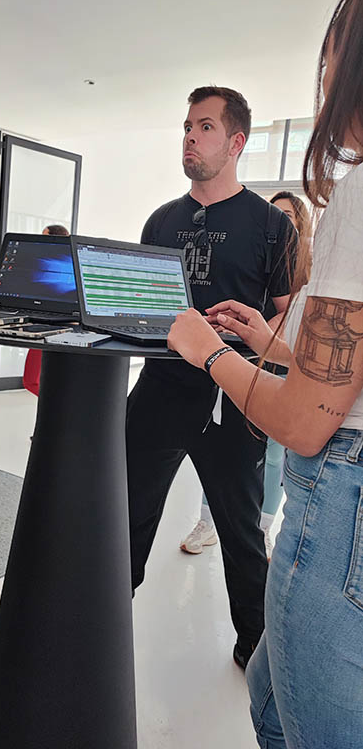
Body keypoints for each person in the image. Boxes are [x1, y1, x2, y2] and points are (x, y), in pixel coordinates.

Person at [168, 0, 363, 747]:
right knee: (272, 701)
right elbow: (341, 370)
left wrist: (209, 349)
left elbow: (306, 420)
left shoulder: (354, 200)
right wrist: (267, 341)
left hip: (339, 499)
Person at [126, 85, 297, 670]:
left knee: (241, 534)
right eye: (187, 127)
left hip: (234, 398)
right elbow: (142, 306)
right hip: (158, 391)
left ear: (236, 142)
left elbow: (287, 315)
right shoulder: (160, 221)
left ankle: (257, 650)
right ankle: (99, 630)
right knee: (124, 516)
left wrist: (252, 333)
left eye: (204, 127)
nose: (190, 138)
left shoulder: (271, 226)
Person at [181, 192, 313, 557]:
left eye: (288, 216)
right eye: (275, 213)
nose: (280, 221)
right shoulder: (253, 252)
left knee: (272, 455)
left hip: (278, 363)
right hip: (241, 358)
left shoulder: (307, 275)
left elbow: (292, 320)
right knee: (224, 446)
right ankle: (208, 521)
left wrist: (263, 339)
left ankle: (262, 527)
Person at [23, 224, 69, 406]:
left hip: (56, 330)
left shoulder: (63, 264)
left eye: (44, 236)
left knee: (33, 381)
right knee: (34, 381)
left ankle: (58, 410)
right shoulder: (47, 263)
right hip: (44, 327)